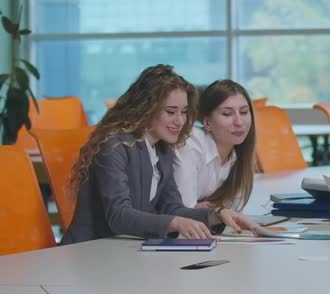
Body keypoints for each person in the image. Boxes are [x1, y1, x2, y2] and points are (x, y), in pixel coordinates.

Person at [61, 65, 256, 245]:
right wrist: (175, 223)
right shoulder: (114, 146)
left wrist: (217, 214)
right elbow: (119, 215)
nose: (180, 121)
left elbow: (172, 208)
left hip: (121, 253)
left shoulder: (162, 149)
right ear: (146, 109)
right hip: (88, 251)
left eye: (184, 112)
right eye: (171, 112)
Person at [174, 79, 256, 211]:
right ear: (207, 123)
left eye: (244, 112)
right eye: (227, 114)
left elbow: (231, 212)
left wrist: (207, 209)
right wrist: (212, 211)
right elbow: (184, 213)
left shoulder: (239, 156)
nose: (239, 122)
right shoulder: (191, 143)